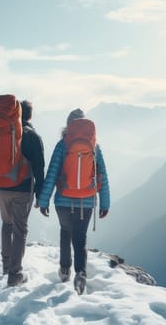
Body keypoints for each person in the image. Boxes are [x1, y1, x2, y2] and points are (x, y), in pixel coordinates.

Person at [37, 108, 110, 294]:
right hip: (86, 201)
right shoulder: (95, 147)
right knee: (80, 238)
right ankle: (81, 273)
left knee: (65, 233)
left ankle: (64, 269)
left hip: (63, 200)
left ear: (69, 125)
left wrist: (43, 200)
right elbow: (103, 175)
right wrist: (104, 203)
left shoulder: (62, 145)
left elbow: (52, 172)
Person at [0, 100, 45, 287]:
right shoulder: (32, 136)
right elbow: (39, 168)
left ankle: (6, 265)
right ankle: (15, 274)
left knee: (6, 224)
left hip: (0, 187)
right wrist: (41, 194)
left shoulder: (3, 133)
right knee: (20, 229)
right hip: (22, 188)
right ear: (30, 115)